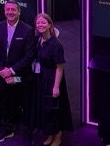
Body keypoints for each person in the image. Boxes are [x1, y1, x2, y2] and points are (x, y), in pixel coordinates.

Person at [0, 0, 37, 143]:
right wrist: (3, 71)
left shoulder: (28, 30)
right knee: (5, 103)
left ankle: (27, 132)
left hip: (21, 77)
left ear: (19, 12)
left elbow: (29, 56)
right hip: (3, 75)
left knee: (25, 104)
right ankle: (7, 129)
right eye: (7, 9)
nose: (10, 12)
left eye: (13, 10)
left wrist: (11, 71)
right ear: (4, 11)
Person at [30, 13, 73, 146]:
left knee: (54, 110)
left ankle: (57, 138)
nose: (40, 25)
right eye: (38, 23)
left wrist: (56, 86)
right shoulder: (38, 40)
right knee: (45, 109)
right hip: (41, 79)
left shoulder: (56, 44)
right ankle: (50, 135)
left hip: (52, 80)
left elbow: (59, 68)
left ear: (49, 25)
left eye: (43, 23)